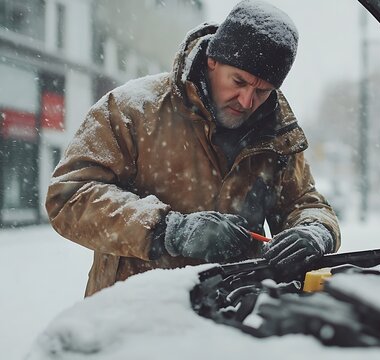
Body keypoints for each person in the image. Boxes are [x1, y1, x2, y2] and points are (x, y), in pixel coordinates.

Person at [45, 0, 340, 297]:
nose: (246, 101)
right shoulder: (130, 110)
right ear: (213, 60)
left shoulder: (278, 134)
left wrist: (315, 231)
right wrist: (170, 231)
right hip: (134, 314)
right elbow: (69, 197)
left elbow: (304, 203)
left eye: (262, 91)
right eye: (238, 81)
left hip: (235, 317)